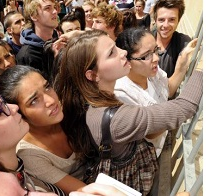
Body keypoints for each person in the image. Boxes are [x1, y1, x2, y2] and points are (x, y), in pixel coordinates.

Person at [54, 29, 202, 195]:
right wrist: (201, 69)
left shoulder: (90, 101)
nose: (123, 52)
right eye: (112, 52)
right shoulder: (117, 119)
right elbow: (184, 108)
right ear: (92, 74)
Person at [0, 65, 86, 194]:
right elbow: (84, 191)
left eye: (47, 87)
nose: (50, 101)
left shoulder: (69, 109)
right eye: (34, 101)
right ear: (19, 113)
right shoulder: (29, 155)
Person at [115, 27, 197, 157]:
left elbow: (168, 89)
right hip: (146, 157)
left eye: (155, 50)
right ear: (127, 61)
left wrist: (182, 64)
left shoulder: (152, 71)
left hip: (161, 144)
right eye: (146, 55)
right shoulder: (121, 93)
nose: (156, 58)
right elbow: (151, 131)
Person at [16, 0, 59, 77]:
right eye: (47, 8)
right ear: (34, 16)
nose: (55, 11)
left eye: (54, 7)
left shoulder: (59, 41)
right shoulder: (27, 55)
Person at [152, 0, 191, 78]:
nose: (166, 25)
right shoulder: (144, 40)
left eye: (172, 20)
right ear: (155, 20)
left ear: (178, 21)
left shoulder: (183, 42)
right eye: (161, 20)